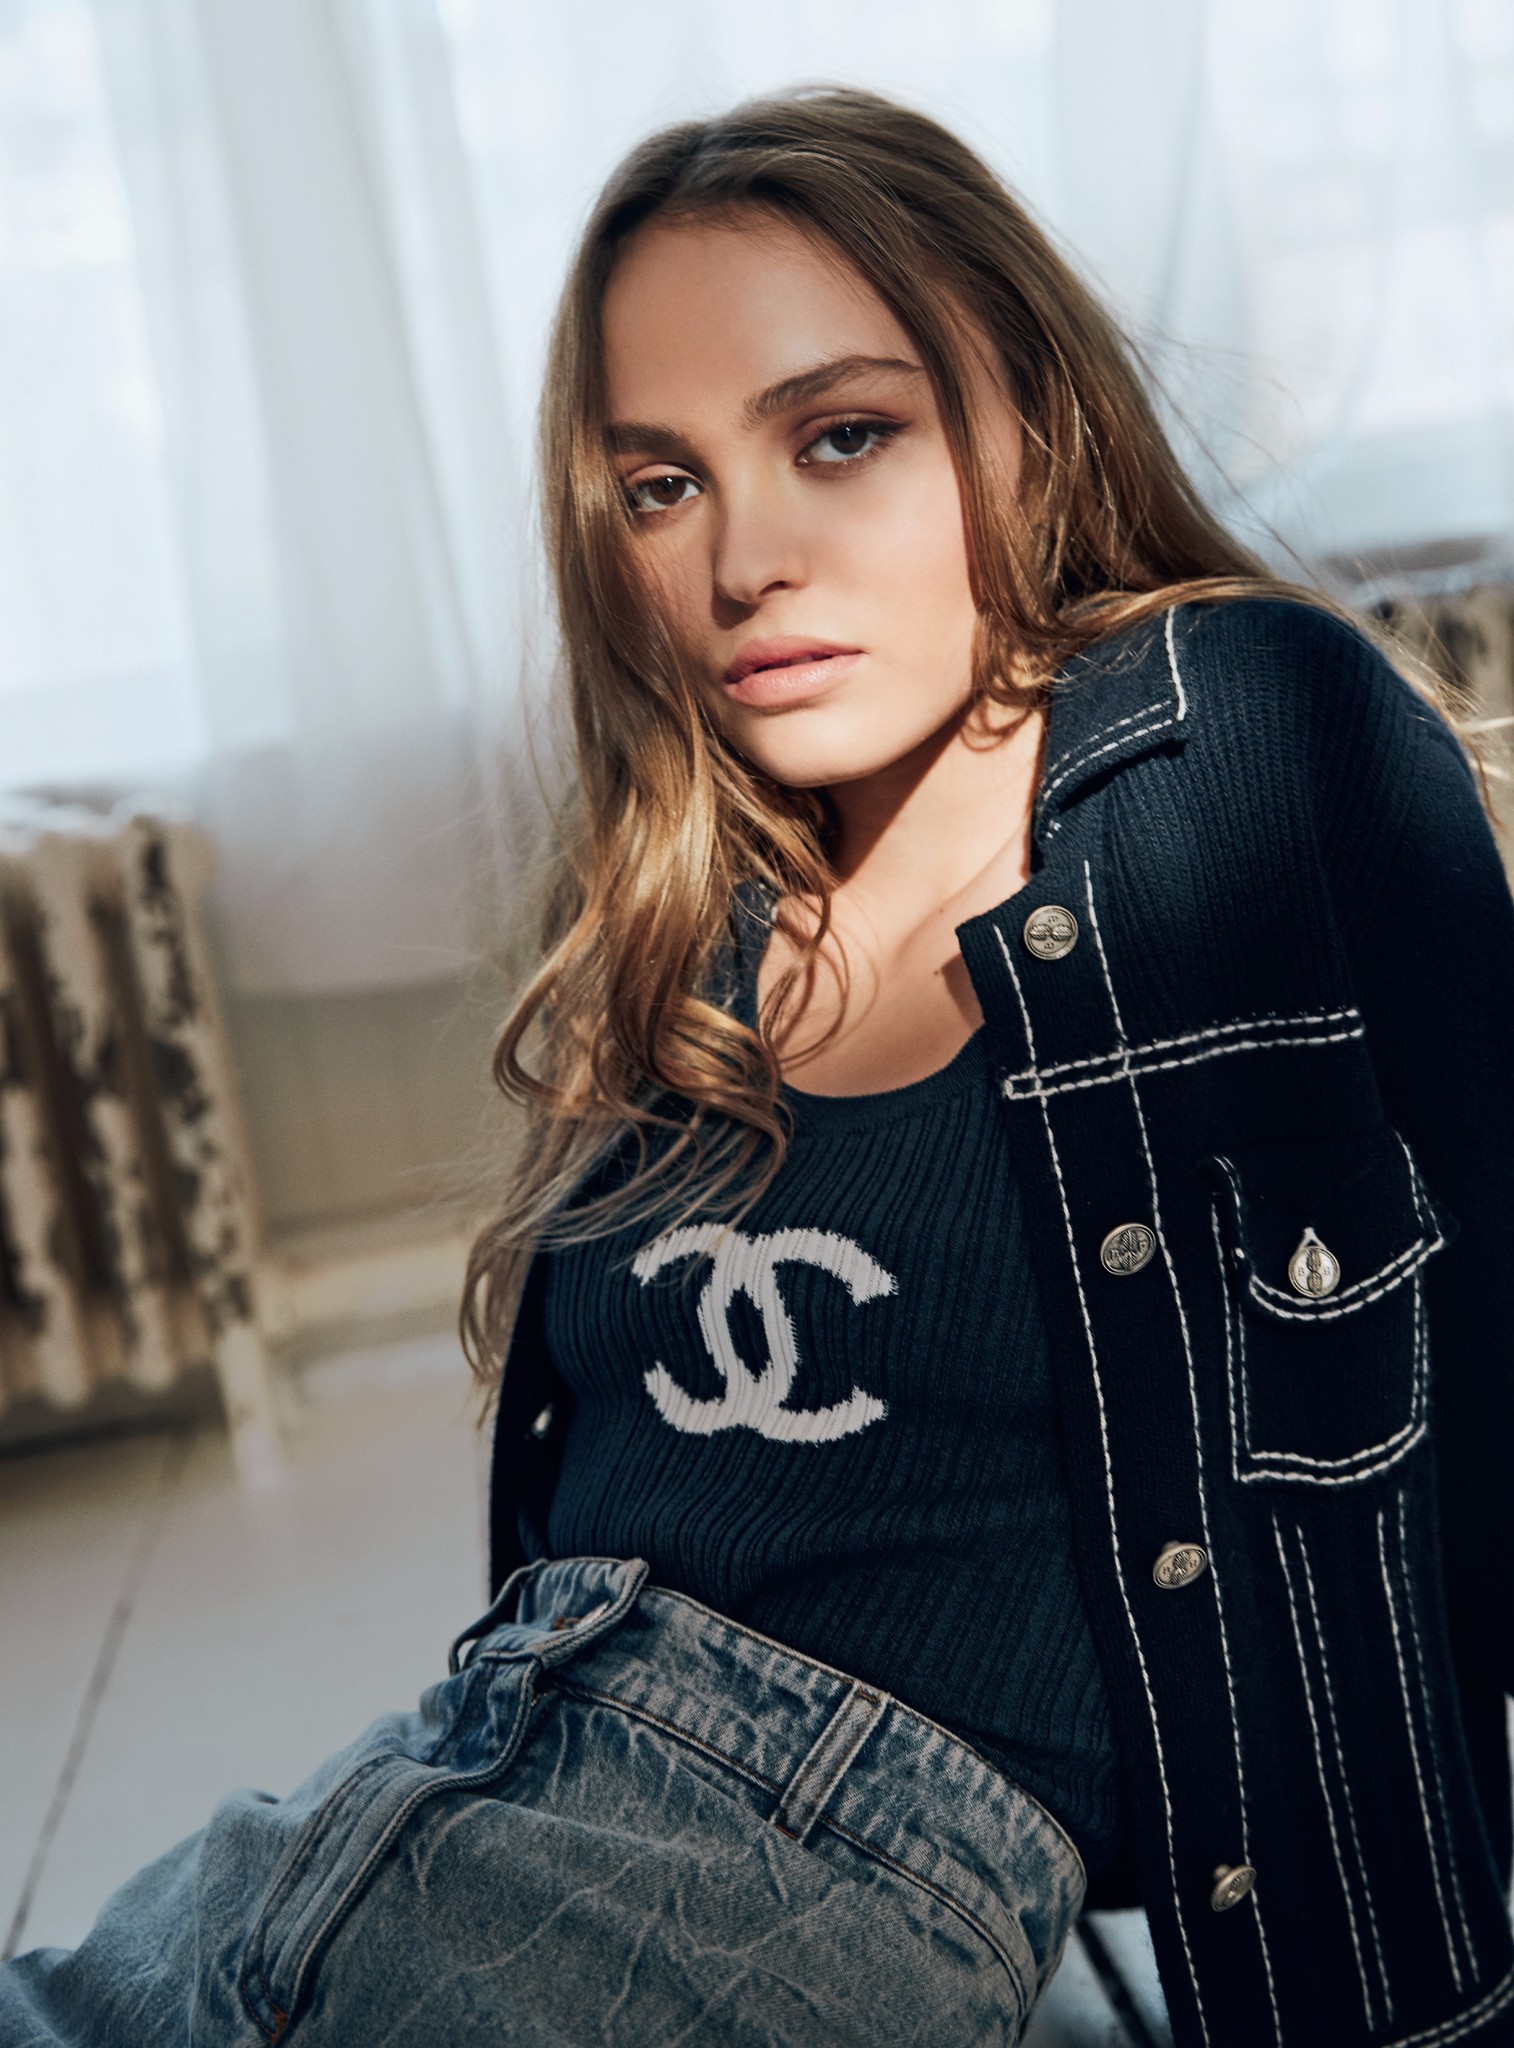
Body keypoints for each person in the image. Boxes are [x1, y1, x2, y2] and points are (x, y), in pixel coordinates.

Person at [5, 83, 1514, 2048]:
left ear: (1024, 416)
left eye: (839, 436)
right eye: (659, 486)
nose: (742, 563)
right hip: (403, 1816)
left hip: (795, 1895)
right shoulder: (683, 924)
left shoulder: (1229, 733)